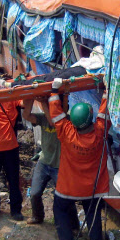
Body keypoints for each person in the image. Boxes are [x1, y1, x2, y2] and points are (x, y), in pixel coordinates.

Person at [48, 78, 109, 240]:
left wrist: (54, 91)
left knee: (59, 210)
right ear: (90, 118)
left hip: (69, 187)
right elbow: (105, 113)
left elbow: (57, 116)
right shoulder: (100, 131)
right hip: (94, 188)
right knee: (94, 218)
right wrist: (106, 89)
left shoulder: (67, 133)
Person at [22, 97, 78, 226]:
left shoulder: (66, 120)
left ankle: (74, 225)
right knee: (35, 193)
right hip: (44, 162)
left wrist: (42, 102)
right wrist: (29, 97)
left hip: (60, 166)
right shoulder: (42, 118)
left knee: (66, 198)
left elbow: (53, 121)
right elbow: (26, 115)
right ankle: (37, 216)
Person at [0, 99, 24, 221]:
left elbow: (24, 104)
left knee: (13, 181)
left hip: (11, 147)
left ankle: (16, 209)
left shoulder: (14, 99)